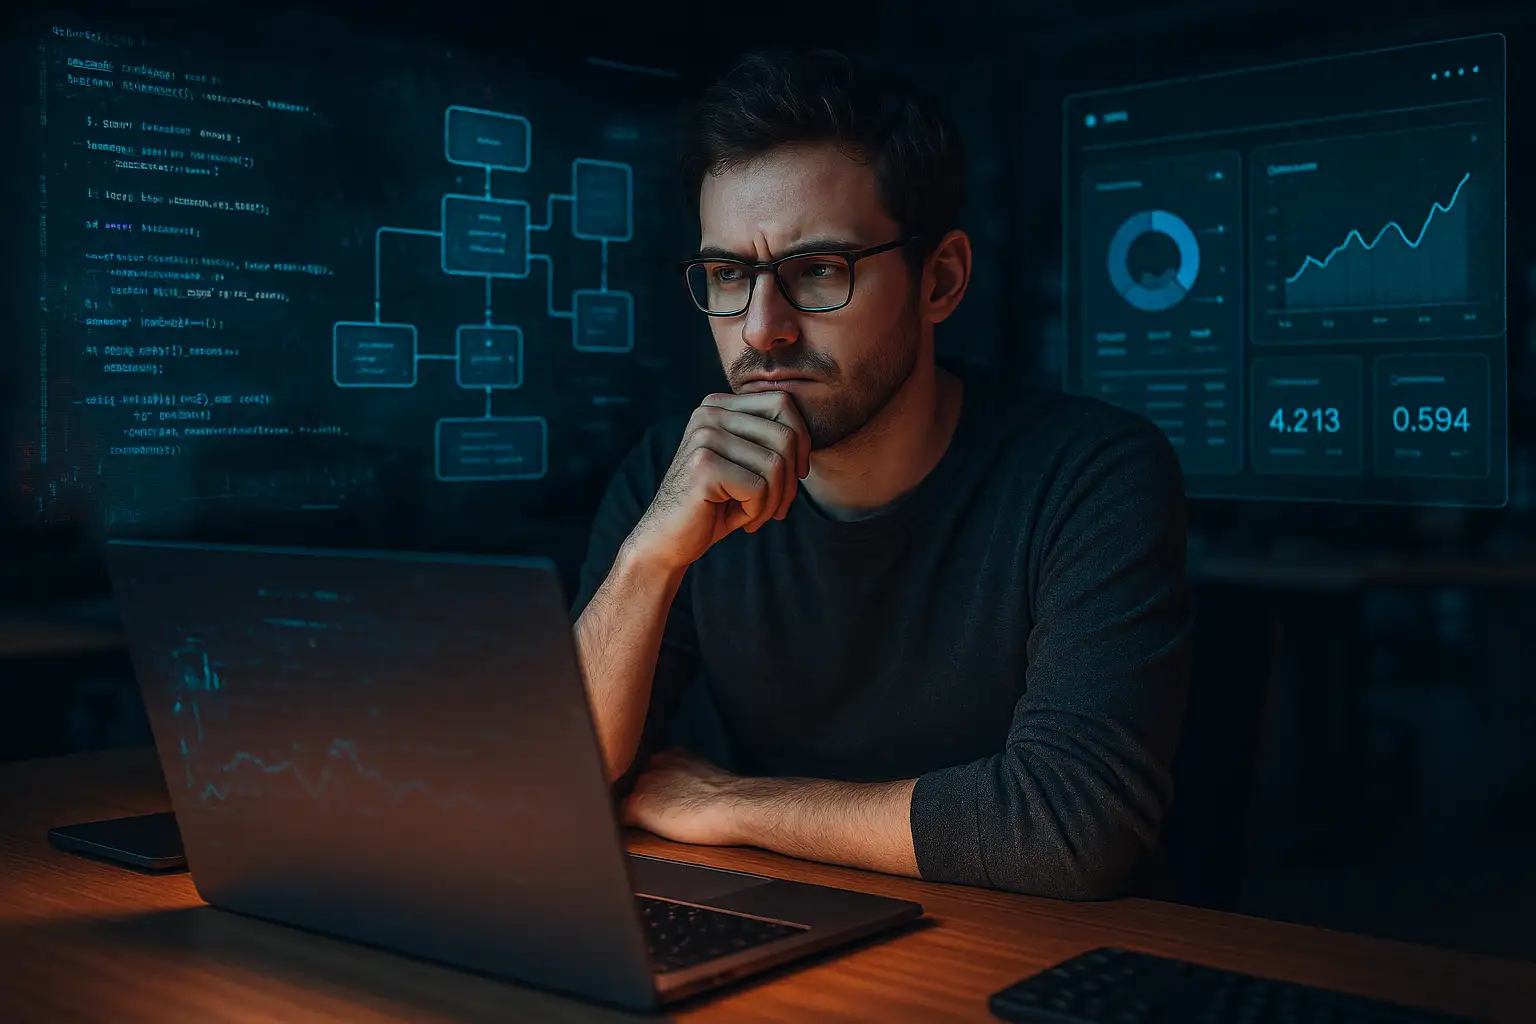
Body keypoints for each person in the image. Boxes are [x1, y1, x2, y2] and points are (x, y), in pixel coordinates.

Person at [570, 49, 1192, 900]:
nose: (761, 330)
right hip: (786, 929)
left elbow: (1067, 826)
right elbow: (562, 783)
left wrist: (733, 805)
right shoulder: (674, 476)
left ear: (939, 280)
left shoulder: (1088, 475)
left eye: (818, 272)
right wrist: (646, 562)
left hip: (1033, 960)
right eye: (727, 276)